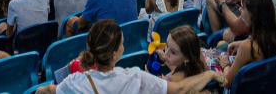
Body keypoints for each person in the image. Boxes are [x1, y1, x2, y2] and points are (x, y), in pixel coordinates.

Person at [39, 19, 217, 93]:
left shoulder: (74, 82)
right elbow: (179, 89)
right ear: (116, 53)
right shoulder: (134, 77)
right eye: (122, 42)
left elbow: (45, 90)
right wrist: (210, 74)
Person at [219, 0, 276, 85]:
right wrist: (240, 43)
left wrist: (225, 64)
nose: (240, 9)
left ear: (252, 14)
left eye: (243, 7)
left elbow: (226, 82)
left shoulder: (247, 47)